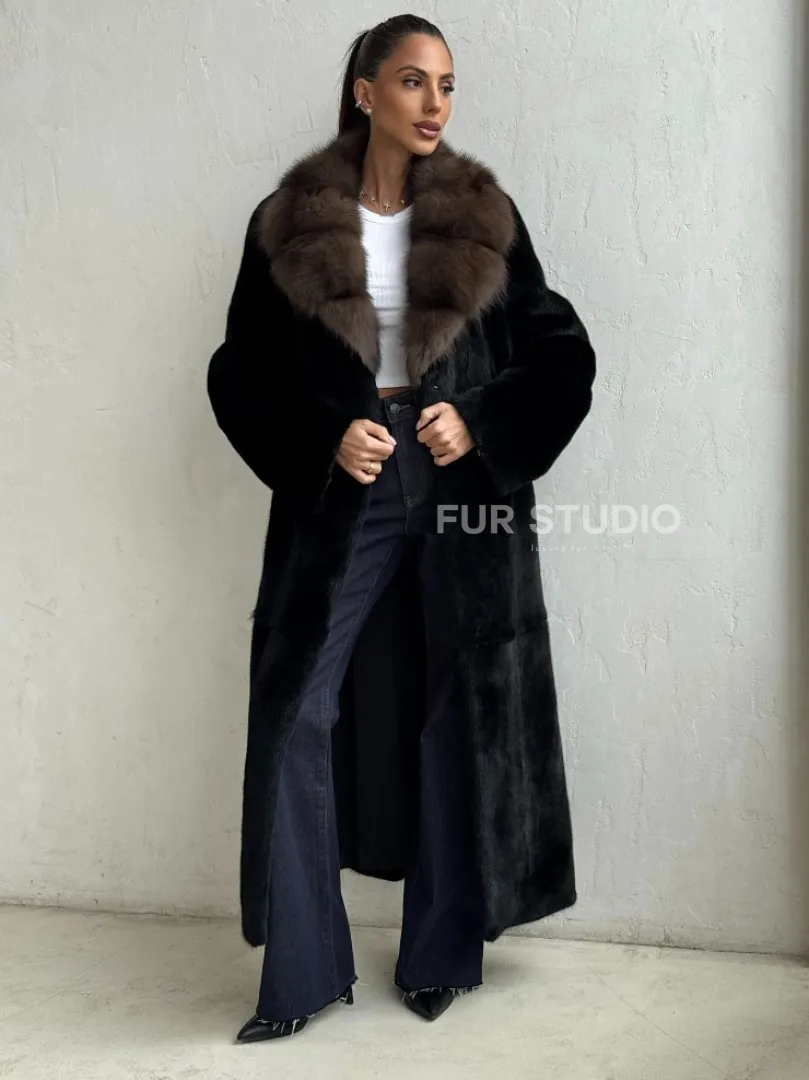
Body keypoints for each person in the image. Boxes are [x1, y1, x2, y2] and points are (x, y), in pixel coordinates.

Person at [207, 13, 596, 1043]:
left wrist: (482, 420)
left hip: (457, 477)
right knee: (298, 708)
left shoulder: (480, 214)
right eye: (415, 81)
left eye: (447, 84)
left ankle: (439, 956)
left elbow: (559, 352)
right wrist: (323, 437)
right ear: (365, 92)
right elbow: (240, 373)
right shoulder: (290, 222)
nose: (435, 103)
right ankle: (300, 976)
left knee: (455, 708)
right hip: (349, 482)